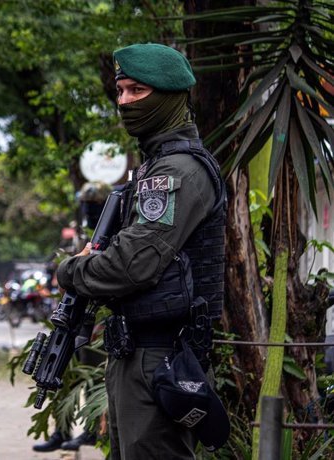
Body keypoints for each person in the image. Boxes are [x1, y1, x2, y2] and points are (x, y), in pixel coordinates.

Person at [56, 43, 227, 459]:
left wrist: (69, 271)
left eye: (137, 91)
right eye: (121, 91)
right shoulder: (156, 167)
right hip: (139, 352)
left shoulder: (178, 172)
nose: (124, 102)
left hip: (160, 356)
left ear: (169, 97)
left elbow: (131, 266)